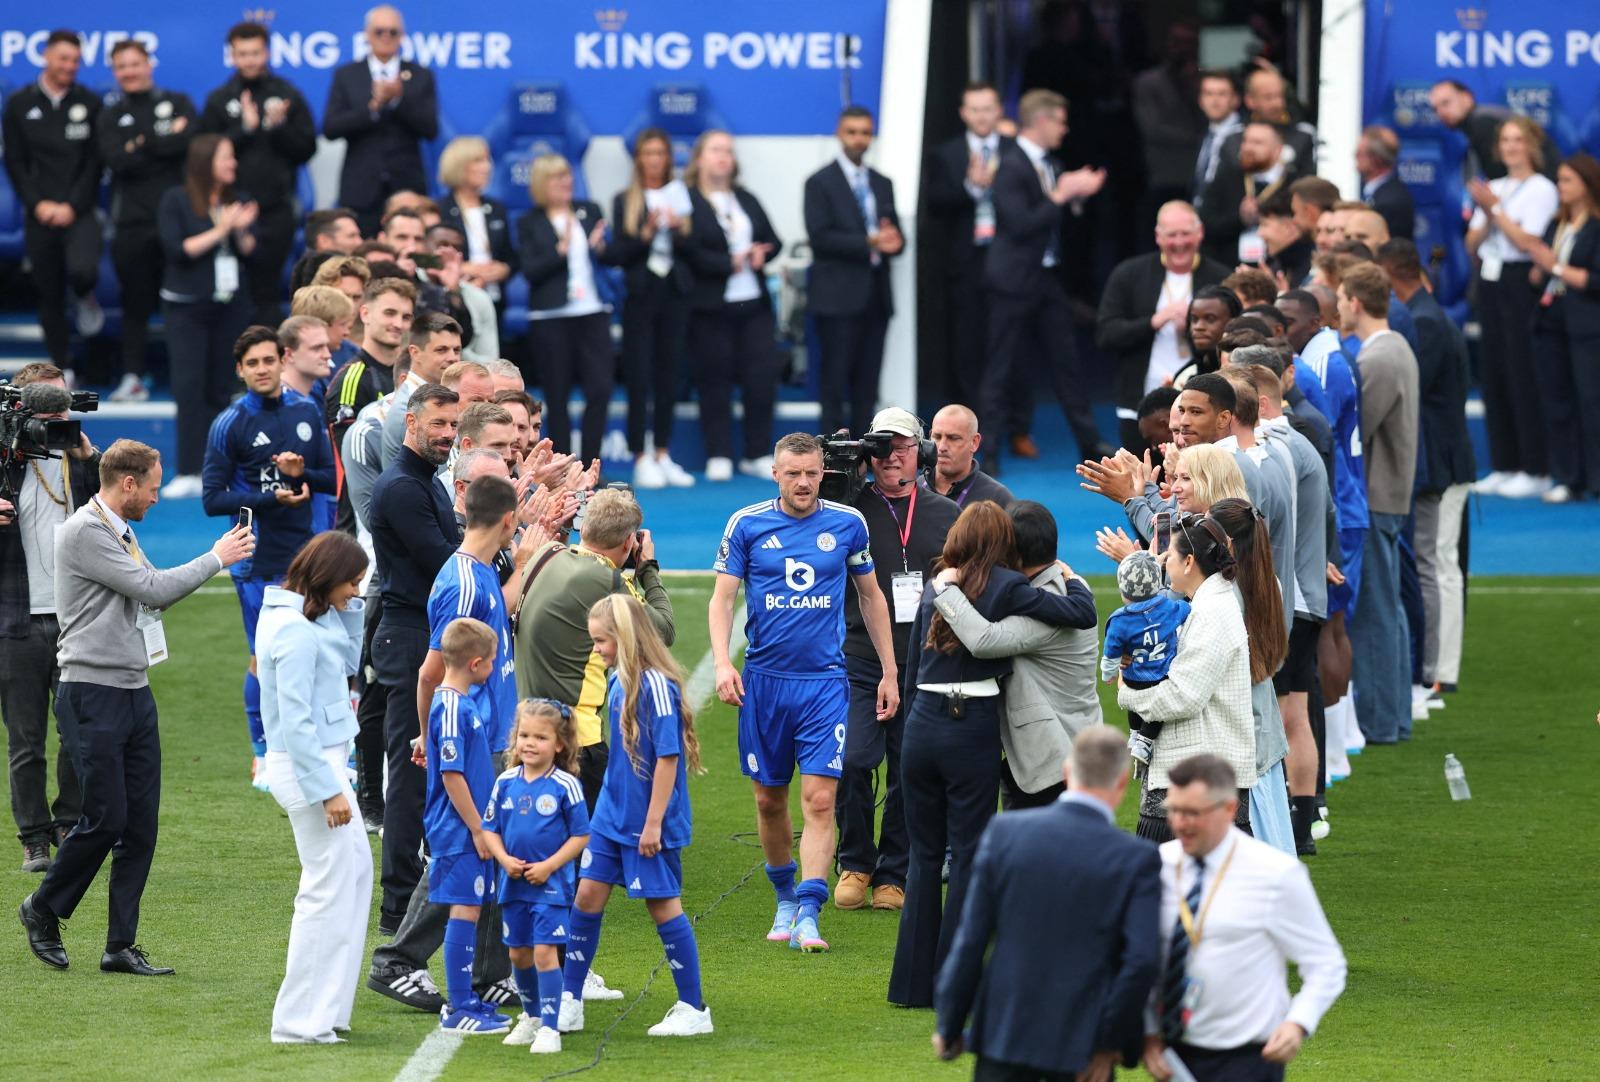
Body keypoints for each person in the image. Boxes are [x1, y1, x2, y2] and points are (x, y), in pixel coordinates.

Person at [19, 440, 255, 975]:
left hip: (131, 690)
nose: (155, 497)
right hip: (91, 692)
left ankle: (119, 945)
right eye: (152, 486)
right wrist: (218, 556)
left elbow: (145, 597)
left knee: (139, 825)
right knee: (105, 818)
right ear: (128, 484)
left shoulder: (120, 530)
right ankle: (42, 908)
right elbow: (153, 588)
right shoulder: (84, 531)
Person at [891, 499, 1098, 1007]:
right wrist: (1073, 580)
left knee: (922, 857)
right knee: (966, 856)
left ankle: (910, 986)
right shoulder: (1009, 587)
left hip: (922, 727)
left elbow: (915, 665)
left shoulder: (933, 587)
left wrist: (944, 592)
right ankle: (956, 982)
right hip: (970, 730)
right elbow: (1078, 613)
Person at [710, 433, 900, 954]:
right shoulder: (746, 524)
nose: (803, 482)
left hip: (824, 685)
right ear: (776, 473)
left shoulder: (846, 523)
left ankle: (811, 912)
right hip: (765, 685)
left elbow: (871, 596)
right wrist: (725, 662)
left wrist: (889, 670)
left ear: (823, 473)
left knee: (819, 799)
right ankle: (785, 898)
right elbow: (724, 598)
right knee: (769, 800)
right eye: (792, 473)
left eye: (811, 473)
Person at [371, 473, 529, 1015]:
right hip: (471, 736)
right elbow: (431, 672)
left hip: (490, 732)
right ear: (508, 521)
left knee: (488, 851)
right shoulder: (462, 582)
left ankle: (490, 973)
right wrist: (426, 732)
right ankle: (399, 960)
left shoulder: (480, 570)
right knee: (463, 850)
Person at [932, 726, 1161, 1082]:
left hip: (1004, 1033)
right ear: (1120, 784)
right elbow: (1140, 962)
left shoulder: (1005, 833)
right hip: (1084, 1048)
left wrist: (949, 1021)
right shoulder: (1137, 858)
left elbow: (972, 938)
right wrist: (1107, 1043)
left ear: (1067, 773)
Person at [559, 593, 712, 1039]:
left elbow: (668, 758)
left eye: (601, 640)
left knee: (662, 906)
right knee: (587, 897)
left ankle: (693, 1006)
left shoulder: (656, 686)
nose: (596, 649)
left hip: (647, 822)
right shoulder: (618, 680)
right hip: (610, 818)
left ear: (624, 637)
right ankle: (569, 999)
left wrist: (653, 823)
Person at [1142, 754, 1346, 1082]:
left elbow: (1326, 963)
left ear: (1228, 809)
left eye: (1193, 813)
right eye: (1174, 810)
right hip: (1172, 1054)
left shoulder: (1275, 874)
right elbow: (1140, 955)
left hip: (1249, 1058)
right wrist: (1149, 1035)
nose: (1180, 823)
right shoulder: (1156, 868)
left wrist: (1297, 1023)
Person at [834, 409, 960, 911]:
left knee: (911, 766)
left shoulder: (946, 514)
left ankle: (893, 871)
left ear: (922, 453)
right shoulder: (847, 510)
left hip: (924, 660)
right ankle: (855, 862)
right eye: (881, 447)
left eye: (903, 446)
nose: (892, 457)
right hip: (860, 655)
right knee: (852, 760)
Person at [202, 325, 335, 785]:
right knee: (266, 656)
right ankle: (263, 750)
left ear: (282, 360)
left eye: (268, 360)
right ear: (240, 370)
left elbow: (326, 479)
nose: (262, 369)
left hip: (303, 554)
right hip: (255, 558)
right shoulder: (230, 422)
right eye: (251, 363)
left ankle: (311, 744)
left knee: (314, 652)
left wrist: (301, 476)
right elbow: (212, 498)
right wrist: (268, 500)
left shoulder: (306, 410)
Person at [255, 531, 370, 1043]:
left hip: (323, 762)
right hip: (310, 769)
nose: (357, 592)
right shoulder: (294, 630)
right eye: (353, 583)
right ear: (328, 578)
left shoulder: (310, 617)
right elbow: (296, 722)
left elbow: (347, 664)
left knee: (355, 876)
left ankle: (328, 1010)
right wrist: (328, 790)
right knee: (324, 891)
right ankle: (299, 1023)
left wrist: (350, 607)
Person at [515, 487, 674, 826]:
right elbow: (664, 632)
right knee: (586, 855)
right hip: (576, 741)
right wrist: (648, 569)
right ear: (630, 541)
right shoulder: (606, 580)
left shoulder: (547, 554)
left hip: (525, 729)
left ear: (583, 527)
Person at [933, 500, 1100, 809]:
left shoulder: (1049, 603)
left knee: (1035, 854)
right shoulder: (1068, 584)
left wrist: (946, 591)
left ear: (1013, 553)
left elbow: (984, 640)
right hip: (1063, 747)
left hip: (1052, 757)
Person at [369, 384, 462, 934]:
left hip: (421, 632)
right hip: (407, 636)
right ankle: (397, 905)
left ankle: (415, 892)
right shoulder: (404, 487)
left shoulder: (421, 482)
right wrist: (505, 555)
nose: (447, 436)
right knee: (409, 771)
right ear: (412, 421)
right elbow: (445, 562)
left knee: (426, 766)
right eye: (440, 424)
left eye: (454, 427)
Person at [0, 364, 95, 873]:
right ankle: (34, 836)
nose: (55, 411)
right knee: (26, 740)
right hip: (15, 619)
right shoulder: (3, 455)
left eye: (61, 400)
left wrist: (89, 452)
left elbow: (125, 498)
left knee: (78, 731)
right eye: (43, 402)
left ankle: (70, 822)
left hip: (76, 616)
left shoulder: (77, 456)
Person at [982, 89, 1109, 467]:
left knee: (1067, 362)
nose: (1065, 129)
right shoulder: (1009, 164)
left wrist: (1075, 197)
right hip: (1012, 280)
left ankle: (1089, 443)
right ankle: (986, 453)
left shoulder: (1048, 162)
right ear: (1041, 121)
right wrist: (1060, 195)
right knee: (999, 367)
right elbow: (1019, 224)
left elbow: (1050, 217)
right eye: (1060, 121)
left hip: (1047, 277)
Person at [1117, 512, 1255, 842]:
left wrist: (1127, 693)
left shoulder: (1213, 613)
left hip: (1198, 788)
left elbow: (1184, 696)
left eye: (1170, 557)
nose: (1164, 564)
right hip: (1197, 778)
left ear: (1190, 561)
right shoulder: (1207, 605)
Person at [1377, 240, 1475, 702]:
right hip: (1443, 457)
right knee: (1436, 562)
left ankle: (1440, 668)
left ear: (1390, 277)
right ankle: (1439, 665)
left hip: (1441, 462)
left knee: (1437, 564)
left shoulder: (1424, 323)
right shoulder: (1429, 315)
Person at [419, 616, 511, 1035]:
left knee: (470, 908)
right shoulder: (454, 708)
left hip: (466, 826)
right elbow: (452, 776)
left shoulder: (457, 703)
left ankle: (467, 1000)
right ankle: (459, 1007)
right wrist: (478, 828)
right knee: (465, 908)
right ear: (475, 664)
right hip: (458, 829)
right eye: (492, 661)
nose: (495, 667)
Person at [1338, 263, 1418, 745]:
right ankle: (1394, 716)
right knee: (1387, 611)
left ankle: (1381, 720)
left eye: (1342, 296)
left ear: (1355, 302)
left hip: (1377, 499)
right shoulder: (1390, 350)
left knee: (1375, 614)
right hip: (1387, 496)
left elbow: (1355, 434)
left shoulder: (1379, 358)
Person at [482, 701, 590, 1053]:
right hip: (513, 885)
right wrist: (503, 859)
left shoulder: (565, 786)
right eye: (524, 735)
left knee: (545, 953)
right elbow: (490, 830)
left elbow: (581, 836)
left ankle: (549, 1027)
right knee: (518, 956)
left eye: (540, 737)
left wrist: (549, 866)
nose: (529, 743)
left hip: (552, 887)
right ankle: (530, 1018)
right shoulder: (505, 782)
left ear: (559, 744)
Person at [156, 134, 258, 499]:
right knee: (189, 386)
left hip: (229, 304)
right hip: (187, 305)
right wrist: (223, 229)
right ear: (205, 162)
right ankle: (187, 468)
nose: (233, 164)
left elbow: (248, 250)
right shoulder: (177, 199)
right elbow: (179, 249)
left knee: (221, 387)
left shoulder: (236, 198)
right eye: (226, 157)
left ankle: (217, 468)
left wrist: (243, 229)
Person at [197, 22, 317, 325]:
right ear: (232, 55)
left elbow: (307, 148)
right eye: (242, 53)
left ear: (267, 52)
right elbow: (203, 155)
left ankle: (269, 364)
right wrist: (245, 129)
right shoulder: (219, 99)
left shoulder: (288, 95)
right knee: (229, 292)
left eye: (255, 53)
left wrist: (278, 129)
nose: (250, 60)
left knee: (267, 292)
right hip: (228, 209)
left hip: (276, 209)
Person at [1, 29, 103, 384]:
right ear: (45, 56)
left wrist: (72, 205)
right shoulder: (19, 104)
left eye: (76, 60)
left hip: (80, 210)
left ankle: (86, 296)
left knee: (83, 272)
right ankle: (65, 367)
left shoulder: (90, 102)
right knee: (48, 292)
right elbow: (15, 162)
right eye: (64, 58)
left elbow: (95, 164)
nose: (70, 66)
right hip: (38, 212)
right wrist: (38, 204)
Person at [682, 130, 783, 482]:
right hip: (711, 308)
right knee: (715, 380)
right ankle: (719, 452)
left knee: (760, 378)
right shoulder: (689, 200)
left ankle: (757, 451)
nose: (723, 157)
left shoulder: (746, 198)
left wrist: (760, 254)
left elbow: (774, 239)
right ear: (700, 157)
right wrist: (729, 263)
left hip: (753, 304)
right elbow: (688, 251)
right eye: (715, 150)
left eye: (728, 151)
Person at [1466, 116, 1560, 499]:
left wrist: (1495, 211)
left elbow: (1527, 242)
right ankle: (1505, 464)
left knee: (1523, 369)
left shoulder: (1541, 188)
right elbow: (1471, 243)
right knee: (1495, 370)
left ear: (1531, 145)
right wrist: (1490, 211)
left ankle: (1535, 466)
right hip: (1490, 281)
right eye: (1505, 139)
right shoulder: (1496, 187)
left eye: (1518, 139)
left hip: (1522, 281)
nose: (1510, 147)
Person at [97, 39, 195, 404]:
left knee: (180, 302)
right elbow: (116, 161)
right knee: (135, 304)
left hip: (176, 223)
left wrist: (138, 144)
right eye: (122, 66)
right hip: (131, 224)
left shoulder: (178, 101)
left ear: (148, 64)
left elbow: (187, 145)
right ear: (114, 72)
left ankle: (184, 377)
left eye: (135, 64)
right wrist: (161, 139)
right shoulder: (108, 115)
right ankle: (133, 377)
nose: (130, 71)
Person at [1096, 201, 1230, 450]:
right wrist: (1154, 321)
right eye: (1172, 235)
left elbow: (1232, 338)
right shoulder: (1128, 274)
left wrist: (1192, 330)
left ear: (1199, 233)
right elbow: (1105, 334)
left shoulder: (1222, 278)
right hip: (1139, 402)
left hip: (1203, 406)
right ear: (1158, 237)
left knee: (1198, 483)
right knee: (1141, 482)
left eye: (1185, 234)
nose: (1179, 243)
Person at [804, 106, 904, 438]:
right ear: (839, 133)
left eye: (864, 132)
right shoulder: (819, 182)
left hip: (876, 296)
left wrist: (893, 241)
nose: (859, 138)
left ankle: (864, 455)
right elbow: (820, 237)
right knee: (834, 382)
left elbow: (895, 236)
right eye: (852, 131)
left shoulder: (882, 182)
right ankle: (831, 458)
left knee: (868, 383)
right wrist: (870, 241)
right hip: (837, 296)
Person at [608, 128, 695, 488]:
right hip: (640, 296)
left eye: (660, 153)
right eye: (648, 153)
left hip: (674, 293)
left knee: (668, 375)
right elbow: (618, 255)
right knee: (639, 376)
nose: (654, 159)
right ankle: (639, 454)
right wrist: (645, 234)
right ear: (639, 159)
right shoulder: (624, 199)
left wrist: (677, 231)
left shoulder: (682, 197)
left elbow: (699, 250)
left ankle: (662, 451)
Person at [924, 82, 1013, 408]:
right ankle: (966, 416)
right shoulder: (946, 153)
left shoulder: (1015, 149)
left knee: (1009, 341)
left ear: (999, 110)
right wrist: (971, 187)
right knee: (965, 341)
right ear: (963, 113)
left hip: (1009, 257)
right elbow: (934, 203)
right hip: (965, 260)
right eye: (974, 109)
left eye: (987, 108)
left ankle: (1013, 423)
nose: (981, 115)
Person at [518, 154, 611, 457]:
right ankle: (563, 465)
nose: (566, 182)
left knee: (599, 389)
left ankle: (591, 464)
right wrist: (560, 251)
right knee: (557, 396)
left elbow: (609, 258)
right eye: (558, 178)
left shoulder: (588, 211)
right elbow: (531, 271)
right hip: (550, 315)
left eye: (568, 176)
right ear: (543, 184)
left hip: (592, 310)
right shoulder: (529, 221)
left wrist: (600, 247)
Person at [323, 5, 439, 237]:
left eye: (392, 32)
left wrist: (398, 101)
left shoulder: (420, 75)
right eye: (379, 31)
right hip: (361, 187)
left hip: (406, 184)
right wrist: (372, 108)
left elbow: (430, 128)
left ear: (402, 36)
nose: (386, 37)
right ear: (367, 35)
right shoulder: (347, 75)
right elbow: (331, 128)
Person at [1527, 154, 1600, 504]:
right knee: (1557, 402)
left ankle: (1595, 477)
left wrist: (1553, 265)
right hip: (1551, 320)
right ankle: (1568, 477)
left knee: (1591, 401)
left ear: (1586, 184)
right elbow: (1542, 270)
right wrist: (1541, 269)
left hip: (1588, 326)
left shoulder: (1597, 226)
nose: (1561, 186)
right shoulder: (1556, 224)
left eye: (1568, 180)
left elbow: (1592, 279)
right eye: (1559, 180)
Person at [327, 278, 417, 530]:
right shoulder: (352, 379)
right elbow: (351, 462)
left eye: (406, 317)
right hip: (360, 526)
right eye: (390, 313)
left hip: (399, 512)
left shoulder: (411, 378)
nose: (398, 324)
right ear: (365, 313)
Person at [1103, 550, 1190, 772]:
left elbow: (1111, 652)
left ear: (1123, 590)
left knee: (1134, 704)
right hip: (1160, 678)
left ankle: (1134, 734)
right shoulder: (1169, 608)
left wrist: (1109, 674)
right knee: (1156, 712)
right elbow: (1187, 608)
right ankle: (1145, 742)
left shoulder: (1119, 620)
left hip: (1133, 677)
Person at [436, 136, 515, 317]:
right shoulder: (441, 209)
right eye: (478, 160)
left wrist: (504, 270)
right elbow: (425, 256)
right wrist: (461, 267)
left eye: (488, 160)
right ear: (459, 165)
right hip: (455, 300)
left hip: (493, 300)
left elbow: (511, 256)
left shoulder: (496, 208)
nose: (487, 167)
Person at [1200, 121, 1297, 266]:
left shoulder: (1293, 184)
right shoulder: (1226, 177)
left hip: (1279, 268)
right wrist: (1240, 219)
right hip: (1228, 268)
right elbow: (1205, 223)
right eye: (1245, 141)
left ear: (1278, 150)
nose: (1247, 148)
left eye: (1257, 143)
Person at [1428, 79, 1560, 182]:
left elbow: (1498, 176)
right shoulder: (1479, 120)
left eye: (1446, 103)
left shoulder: (1483, 124)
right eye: (1435, 109)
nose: (1440, 112)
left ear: (1467, 98)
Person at [926, 404, 1014, 508]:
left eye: (953, 438)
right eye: (937, 437)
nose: (942, 447)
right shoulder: (913, 489)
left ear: (974, 442)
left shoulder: (998, 499)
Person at [1190, 70, 1242, 207]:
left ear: (1235, 99)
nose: (1214, 101)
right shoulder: (1204, 135)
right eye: (1208, 94)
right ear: (1200, 100)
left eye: (1222, 94)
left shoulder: (1246, 136)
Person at [1357, 125, 1415, 241]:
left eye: (1359, 154)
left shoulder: (1390, 202)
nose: (1355, 157)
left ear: (1376, 159)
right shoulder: (1379, 193)